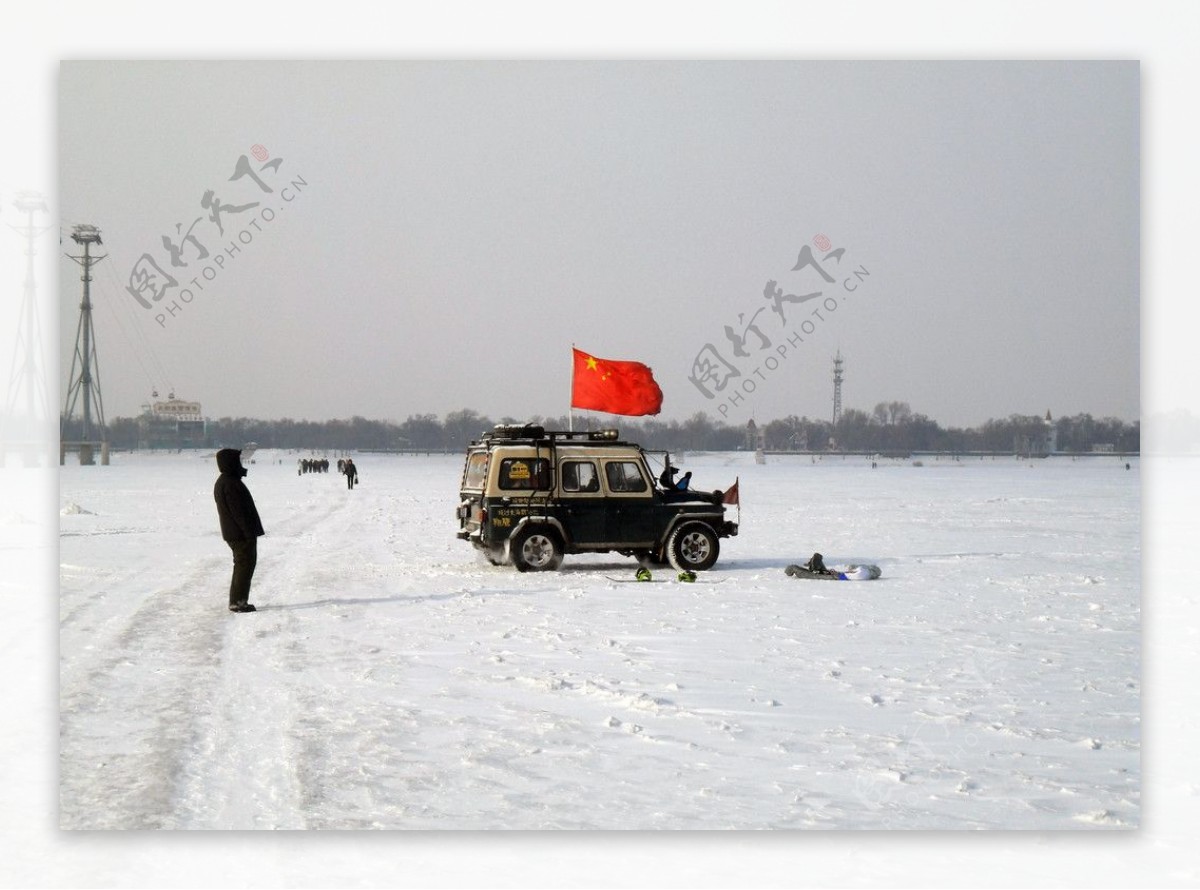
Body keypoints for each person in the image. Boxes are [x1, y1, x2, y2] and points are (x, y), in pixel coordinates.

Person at [213, 448, 265, 613]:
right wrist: (248, 533)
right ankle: (238, 602)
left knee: (243, 565)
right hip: (240, 534)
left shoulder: (227, 481)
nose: (240, 463)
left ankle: (238, 600)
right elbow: (238, 512)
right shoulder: (229, 483)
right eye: (237, 460)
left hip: (237, 533)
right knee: (244, 565)